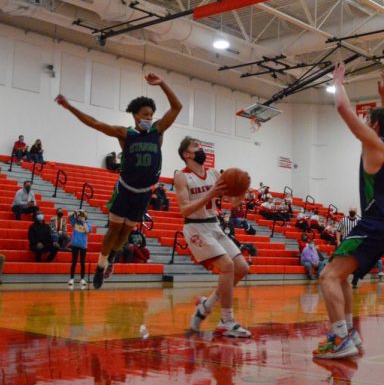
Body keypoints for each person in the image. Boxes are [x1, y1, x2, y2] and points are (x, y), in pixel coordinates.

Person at [56, 72, 182, 289]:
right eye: (145, 114)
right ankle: (100, 266)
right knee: (114, 229)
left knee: (127, 231)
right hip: (126, 188)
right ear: (135, 116)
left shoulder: (158, 130)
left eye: (151, 114)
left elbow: (177, 107)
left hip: (144, 192)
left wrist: (162, 84)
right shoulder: (125, 133)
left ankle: (112, 257)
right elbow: (94, 123)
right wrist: (70, 108)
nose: (149, 118)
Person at [314, 65, 384, 360]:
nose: (363, 122)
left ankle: (340, 339)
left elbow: (342, 107)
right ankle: (348, 331)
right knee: (343, 277)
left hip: (374, 224)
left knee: (327, 276)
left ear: (373, 127)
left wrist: (338, 82)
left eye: (368, 120)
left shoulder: (374, 143)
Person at [176, 137, 251, 338]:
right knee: (227, 266)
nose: (200, 149)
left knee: (242, 268)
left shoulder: (215, 173)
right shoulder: (182, 177)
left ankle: (206, 305)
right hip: (195, 228)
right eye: (195, 146)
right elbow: (184, 210)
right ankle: (227, 321)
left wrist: (243, 190)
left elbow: (233, 203)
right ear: (187, 154)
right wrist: (210, 194)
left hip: (214, 225)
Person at [68, 210, 91, 288]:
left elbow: (87, 231)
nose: (81, 216)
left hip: (83, 246)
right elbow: (69, 215)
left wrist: (84, 222)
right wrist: (77, 211)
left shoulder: (87, 224)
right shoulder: (75, 222)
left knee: (82, 263)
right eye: (80, 215)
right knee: (74, 262)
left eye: (83, 215)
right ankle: (71, 279)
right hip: (74, 245)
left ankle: (82, 279)